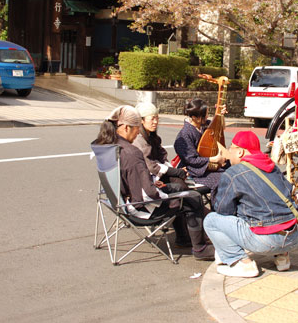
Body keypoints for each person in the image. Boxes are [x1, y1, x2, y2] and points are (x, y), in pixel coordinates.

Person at [92, 105, 215, 260]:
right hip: (140, 208)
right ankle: (200, 248)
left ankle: (184, 238)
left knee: (177, 187)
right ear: (126, 127)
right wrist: (160, 190)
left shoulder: (106, 144)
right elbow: (149, 194)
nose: (137, 132)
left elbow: (128, 178)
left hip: (118, 200)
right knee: (192, 197)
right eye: (136, 128)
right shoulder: (132, 152)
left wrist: (156, 185)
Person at [203, 130, 298, 277]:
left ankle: (241, 263)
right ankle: (282, 258)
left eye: (231, 148)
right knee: (275, 211)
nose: (229, 152)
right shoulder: (271, 167)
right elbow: (288, 192)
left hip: (265, 241)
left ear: (240, 152)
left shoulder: (234, 173)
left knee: (211, 220)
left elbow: (223, 211)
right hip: (294, 237)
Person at [133, 101, 205, 248]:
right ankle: (190, 233)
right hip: (147, 185)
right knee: (181, 190)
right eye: (151, 118)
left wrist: (174, 170)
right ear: (141, 120)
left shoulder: (151, 136)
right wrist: (175, 171)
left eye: (157, 118)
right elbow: (151, 166)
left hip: (155, 177)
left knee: (181, 186)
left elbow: (162, 158)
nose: (155, 122)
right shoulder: (138, 140)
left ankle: (187, 232)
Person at [173, 98, 227, 204]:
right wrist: (213, 159)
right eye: (204, 115)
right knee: (223, 179)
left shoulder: (203, 125)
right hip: (194, 171)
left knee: (233, 171)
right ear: (194, 117)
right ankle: (218, 207)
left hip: (207, 165)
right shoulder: (185, 134)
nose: (207, 117)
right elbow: (191, 160)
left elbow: (219, 127)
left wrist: (221, 115)